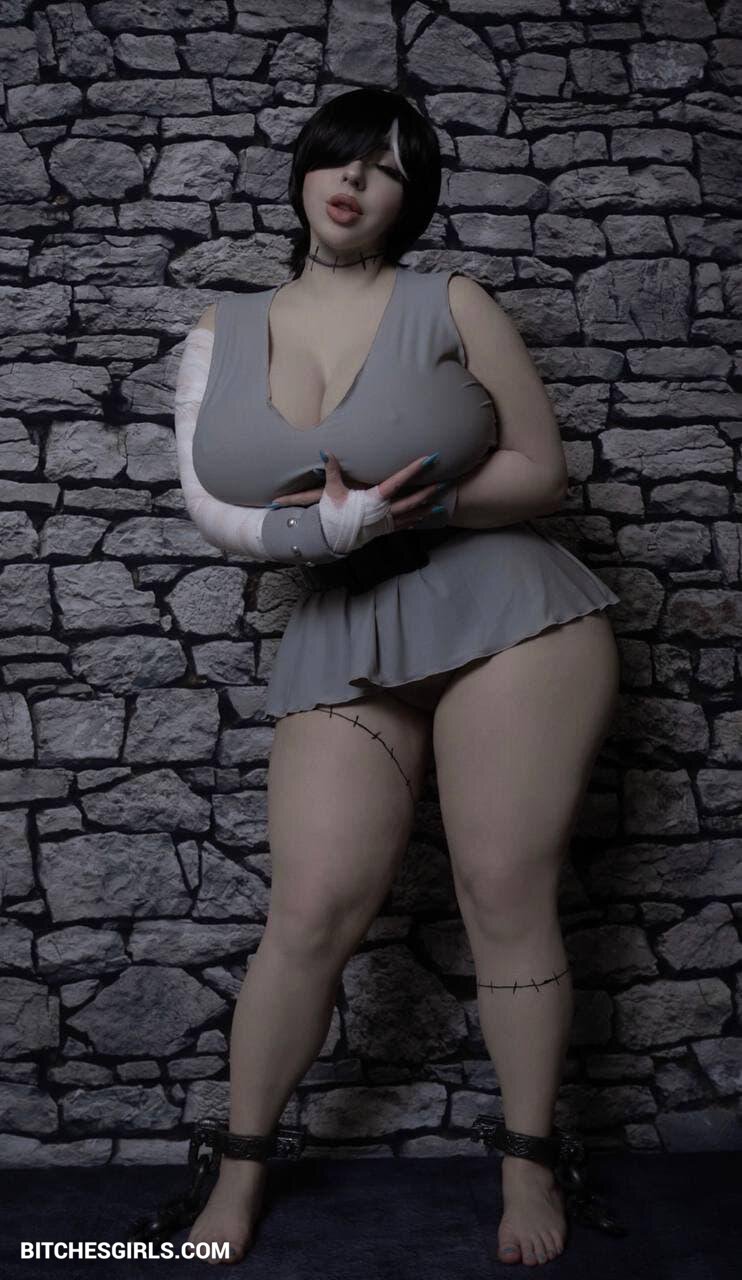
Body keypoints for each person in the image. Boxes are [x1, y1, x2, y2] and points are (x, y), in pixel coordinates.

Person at [128, 88, 627, 1266]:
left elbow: (543, 469)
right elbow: (211, 507)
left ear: (413, 199)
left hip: (505, 614)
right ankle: (238, 1167)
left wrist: (415, 509)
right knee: (310, 909)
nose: (356, 180)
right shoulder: (221, 326)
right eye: (341, 157)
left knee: (501, 890)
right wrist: (332, 534)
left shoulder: (451, 300)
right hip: (341, 626)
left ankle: (527, 1158)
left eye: (390, 168)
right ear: (305, 172)